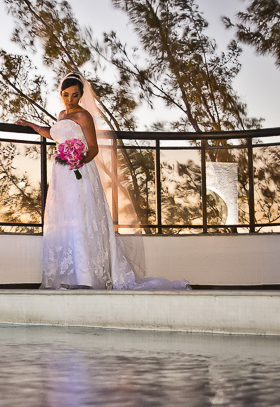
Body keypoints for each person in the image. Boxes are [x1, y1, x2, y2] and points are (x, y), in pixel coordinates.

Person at [17, 72, 189, 290]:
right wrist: (29, 124)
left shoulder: (84, 116)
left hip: (80, 172)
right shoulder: (61, 115)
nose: (70, 99)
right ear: (61, 94)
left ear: (81, 95)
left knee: (82, 216)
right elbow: (52, 134)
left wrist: (77, 160)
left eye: (75, 95)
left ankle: (86, 277)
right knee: (65, 217)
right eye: (66, 95)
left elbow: (94, 148)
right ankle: (69, 276)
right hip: (61, 174)